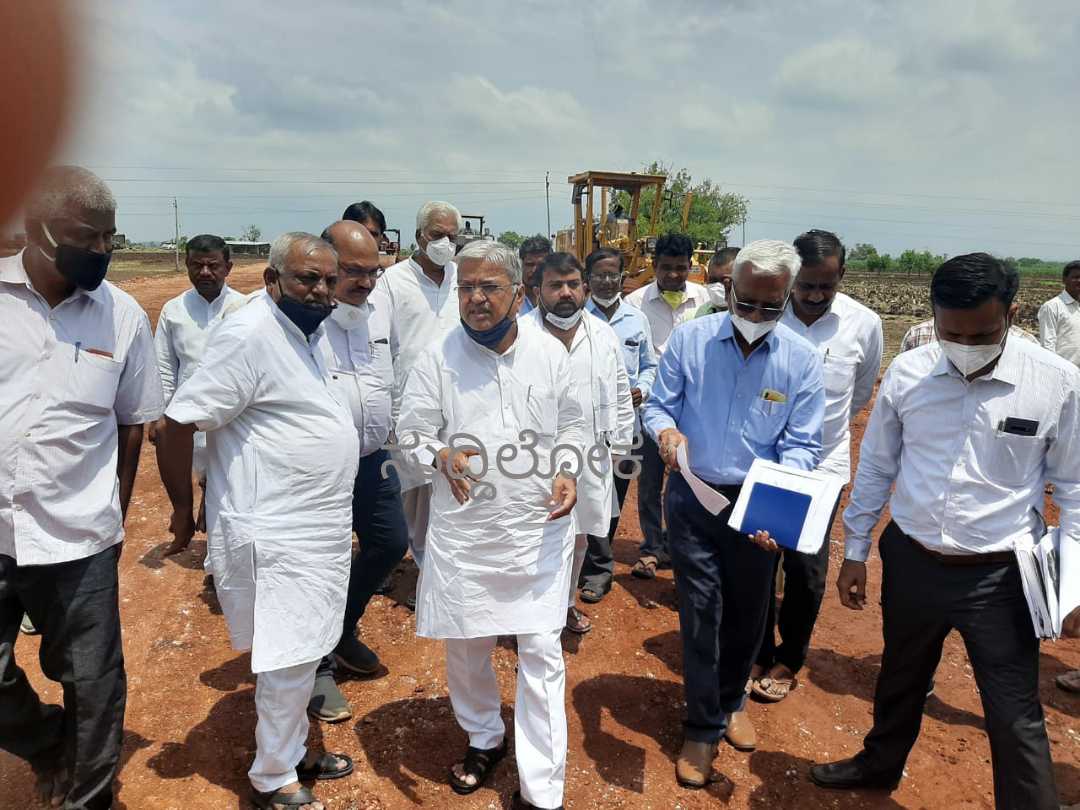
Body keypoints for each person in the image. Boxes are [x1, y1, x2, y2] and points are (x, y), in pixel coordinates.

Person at [810, 254, 1080, 810]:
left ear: (1012, 314)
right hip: (913, 560)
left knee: (1013, 710)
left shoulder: (1055, 382)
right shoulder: (909, 373)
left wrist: (1073, 584)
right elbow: (877, 464)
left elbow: (1075, 489)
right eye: (951, 333)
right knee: (901, 677)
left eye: (981, 334)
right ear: (934, 317)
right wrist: (855, 550)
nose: (965, 346)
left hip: (1002, 576)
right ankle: (879, 765)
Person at [160, 232, 358, 810]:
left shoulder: (308, 333)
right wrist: (182, 511)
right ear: (272, 281)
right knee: (289, 656)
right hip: (277, 531)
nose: (321, 290)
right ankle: (274, 776)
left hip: (313, 527)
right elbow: (176, 424)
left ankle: (291, 750)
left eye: (329, 279)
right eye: (307, 279)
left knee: (305, 649)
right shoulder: (248, 334)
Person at [396, 240, 585, 810]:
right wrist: (439, 454)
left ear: (518, 294)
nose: (475, 298)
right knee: (467, 643)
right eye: (466, 288)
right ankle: (484, 735)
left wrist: (568, 469)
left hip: (538, 529)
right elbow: (410, 430)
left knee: (542, 651)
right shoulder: (437, 356)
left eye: (489, 287)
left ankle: (542, 789)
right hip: (467, 532)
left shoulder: (549, 353)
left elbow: (575, 424)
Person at [0, 166, 164, 809]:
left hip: (79, 532)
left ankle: (88, 796)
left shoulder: (123, 317)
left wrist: (113, 514)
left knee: (92, 681)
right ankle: (46, 744)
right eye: (83, 236)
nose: (99, 250)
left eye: (108, 238)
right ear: (36, 228)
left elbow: (131, 424)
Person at [642, 240, 824, 788]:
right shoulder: (691, 340)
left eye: (771, 306)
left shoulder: (800, 359)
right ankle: (702, 727)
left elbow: (802, 444)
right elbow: (659, 404)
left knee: (749, 614)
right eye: (746, 303)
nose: (756, 315)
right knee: (702, 612)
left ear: (787, 298)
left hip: (756, 504)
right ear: (729, 289)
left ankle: (733, 699)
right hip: (694, 498)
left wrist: (779, 508)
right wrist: (666, 432)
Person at [748, 231, 882, 725]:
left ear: (841, 276)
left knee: (805, 570)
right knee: (758, 561)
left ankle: (789, 656)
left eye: (826, 285)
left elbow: (859, 394)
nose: (815, 295)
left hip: (822, 468)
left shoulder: (863, 325)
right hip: (764, 463)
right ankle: (757, 650)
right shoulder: (765, 315)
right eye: (805, 285)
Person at [306, 221, 408, 723]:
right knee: (323, 562)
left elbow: (392, 375)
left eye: (373, 271)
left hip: (373, 456)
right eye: (353, 271)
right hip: (320, 469)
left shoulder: (379, 312)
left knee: (390, 542)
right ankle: (316, 666)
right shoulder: (304, 318)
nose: (365, 282)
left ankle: (341, 629)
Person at [525, 252, 634, 633]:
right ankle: (532, 616)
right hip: (534, 460)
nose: (566, 292)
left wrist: (621, 445)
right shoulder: (520, 335)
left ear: (584, 288)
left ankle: (566, 604)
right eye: (555, 285)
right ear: (537, 290)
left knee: (581, 536)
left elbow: (619, 388)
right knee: (536, 539)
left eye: (573, 284)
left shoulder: (602, 334)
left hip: (592, 454)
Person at [381, 201, 462, 609]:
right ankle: (420, 571)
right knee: (413, 498)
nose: (445, 242)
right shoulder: (393, 283)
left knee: (451, 491)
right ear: (419, 237)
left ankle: (439, 576)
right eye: (437, 235)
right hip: (409, 403)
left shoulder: (462, 278)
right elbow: (381, 345)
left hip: (458, 400)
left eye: (452, 236)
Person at [625, 232, 708, 579]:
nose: (673, 274)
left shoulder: (703, 300)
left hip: (693, 409)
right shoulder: (635, 303)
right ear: (653, 265)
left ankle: (681, 546)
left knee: (689, 481)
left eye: (681, 267)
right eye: (666, 267)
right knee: (649, 482)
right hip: (651, 407)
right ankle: (651, 548)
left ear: (691, 266)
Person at [151, 234, 244, 537]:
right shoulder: (173, 311)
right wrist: (159, 416)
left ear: (228, 267)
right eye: (197, 265)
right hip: (188, 418)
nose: (205, 272)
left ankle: (219, 555)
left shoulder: (244, 309)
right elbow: (165, 368)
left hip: (233, 416)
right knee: (202, 474)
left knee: (232, 484)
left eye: (213, 265)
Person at [581, 247, 658, 602]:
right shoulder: (578, 317)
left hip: (627, 427)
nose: (607, 281)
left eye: (613, 274)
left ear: (623, 276)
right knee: (586, 493)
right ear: (588, 278)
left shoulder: (637, 319)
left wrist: (643, 388)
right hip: (586, 427)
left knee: (614, 497)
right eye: (599, 275)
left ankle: (597, 566)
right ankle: (589, 565)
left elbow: (650, 365)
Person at [1037, 259, 1080, 368]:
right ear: (1064, 280)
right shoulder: (1052, 307)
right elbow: (1047, 346)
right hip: (1064, 371)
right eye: (1075, 277)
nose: (1079, 281)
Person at [694, 246, 739, 317]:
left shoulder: (752, 317)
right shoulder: (703, 312)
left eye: (725, 281)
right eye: (713, 280)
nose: (717, 286)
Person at [518, 235, 553, 315]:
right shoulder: (511, 300)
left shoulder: (558, 298)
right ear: (521, 265)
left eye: (541, 265)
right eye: (530, 264)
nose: (534, 270)